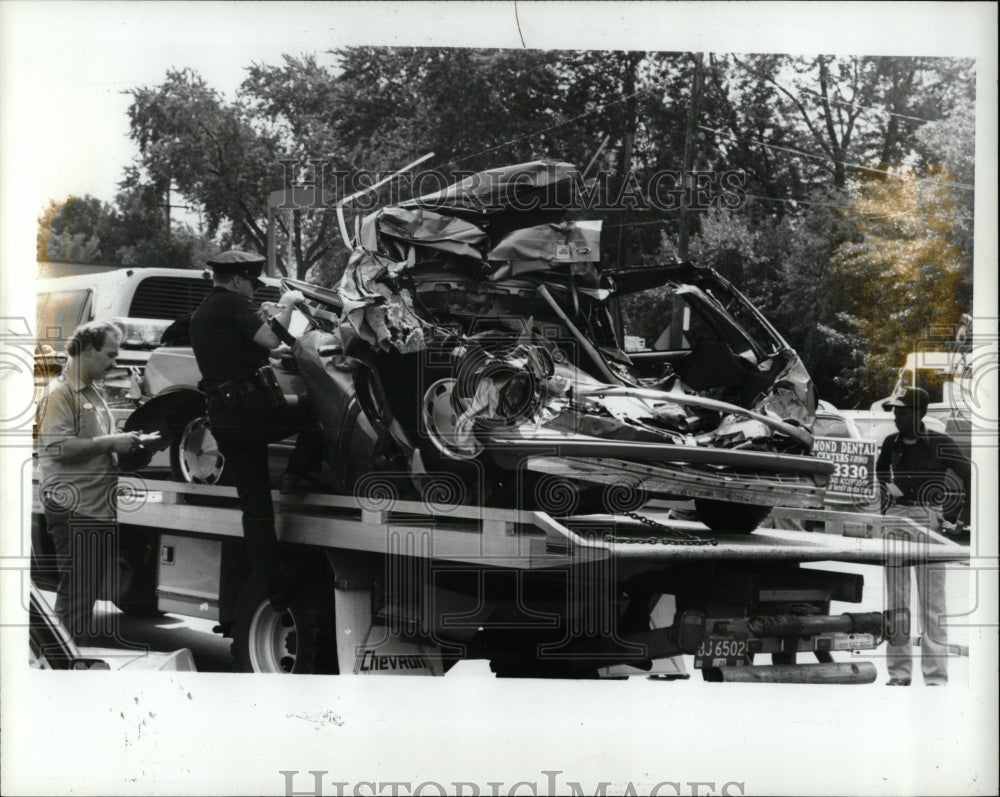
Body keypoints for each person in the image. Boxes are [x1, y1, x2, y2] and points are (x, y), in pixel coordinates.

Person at [188, 249, 322, 608]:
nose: (252, 290)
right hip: (253, 414)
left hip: (224, 417)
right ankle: (297, 474)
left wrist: (274, 356)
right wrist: (288, 303)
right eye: (250, 283)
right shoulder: (234, 304)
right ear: (236, 280)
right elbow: (271, 339)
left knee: (256, 505)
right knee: (318, 412)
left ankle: (272, 586)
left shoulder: (202, 313)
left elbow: (243, 351)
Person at [36, 321, 155, 641]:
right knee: (77, 599)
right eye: (110, 355)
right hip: (75, 508)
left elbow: (99, 442)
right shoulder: (61, 393)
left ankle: (62, 664)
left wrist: (128, 440)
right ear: (87, 349)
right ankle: (62, 671)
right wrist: (110, 443)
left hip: (93, 509)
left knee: (81, 596)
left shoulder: (91, 392)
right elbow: (56, 447)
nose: (114, 363)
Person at [875, 386, 972, 686]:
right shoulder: (891, 443)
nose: (896, 417)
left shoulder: (940, 443)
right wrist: (885, 505)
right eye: (894, 411)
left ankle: (935, 680)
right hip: (897, 520)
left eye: (902, 411)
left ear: (919, 413)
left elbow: (971, 476)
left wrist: (961, 520)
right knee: (897, 602)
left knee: (932, 604)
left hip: (929, 519)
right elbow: (879, 474)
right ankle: (900, 675)